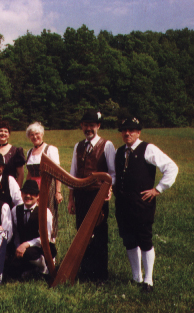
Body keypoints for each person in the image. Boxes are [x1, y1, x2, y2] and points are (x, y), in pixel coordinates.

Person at [114, 117, 178, 293]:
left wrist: (158, 189)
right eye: (124, 130)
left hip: (142, 203)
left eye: (131, 130)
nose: (127, 133)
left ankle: (148, 281)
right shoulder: (119, 152)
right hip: (123, 204)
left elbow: (171, 167)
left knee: (144, 240)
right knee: (129, 240)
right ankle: (136, 277)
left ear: (138, 132)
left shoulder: (147, 148)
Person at [67, 109, 116, 282]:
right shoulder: (78, 146)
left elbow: (113, 173)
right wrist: (71, 198)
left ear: (98, 126)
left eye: (92, 125)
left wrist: (108, 188)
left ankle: (100, 274)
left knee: (99, 234)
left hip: (98, 195)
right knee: (82, 233)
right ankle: (85, 271)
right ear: (82, 126)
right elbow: (73, 173)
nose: (89, 128)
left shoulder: (107, 145)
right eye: (86, 125)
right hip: (80, 195)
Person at [10, 180, 56, 278]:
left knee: (29, 253)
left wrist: (26, 245)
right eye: (25, 193)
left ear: (38, 196)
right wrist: (18, 247)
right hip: (22, 248)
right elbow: (16, 233)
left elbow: (46, 239)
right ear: (21, 194)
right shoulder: (15, 210)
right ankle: (31, 269)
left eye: (32, 194)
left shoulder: (45, 212)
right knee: (12, 268)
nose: (28, 196)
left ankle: (44, 268)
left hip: (40, 248)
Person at [25, 122, 62, 239]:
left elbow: (58, 172)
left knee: (49, 214)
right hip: (33, 189)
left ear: (42, 134)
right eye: (31, 135)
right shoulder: (29, 152)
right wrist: (26, 188)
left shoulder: (50, 149)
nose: (35, 137)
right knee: (34, 213)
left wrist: (58, 191)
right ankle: (36, 238)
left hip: (47, 186)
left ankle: (51, 241)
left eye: (37, 134)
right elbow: (29, 173)